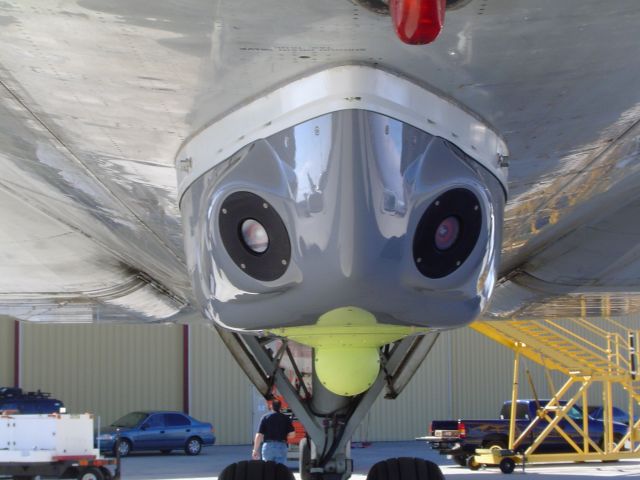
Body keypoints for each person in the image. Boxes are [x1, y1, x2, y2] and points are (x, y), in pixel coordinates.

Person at [251, 399, 295, 464]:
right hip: (281, 446)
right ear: (280, 407)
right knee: (280, 470)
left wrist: (255, 450)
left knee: (268, 470)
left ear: (271, 406)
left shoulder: (265, 417)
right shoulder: (286, 418)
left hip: (268, 446)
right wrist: (284, 435)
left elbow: (259, 435)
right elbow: (292, 434)